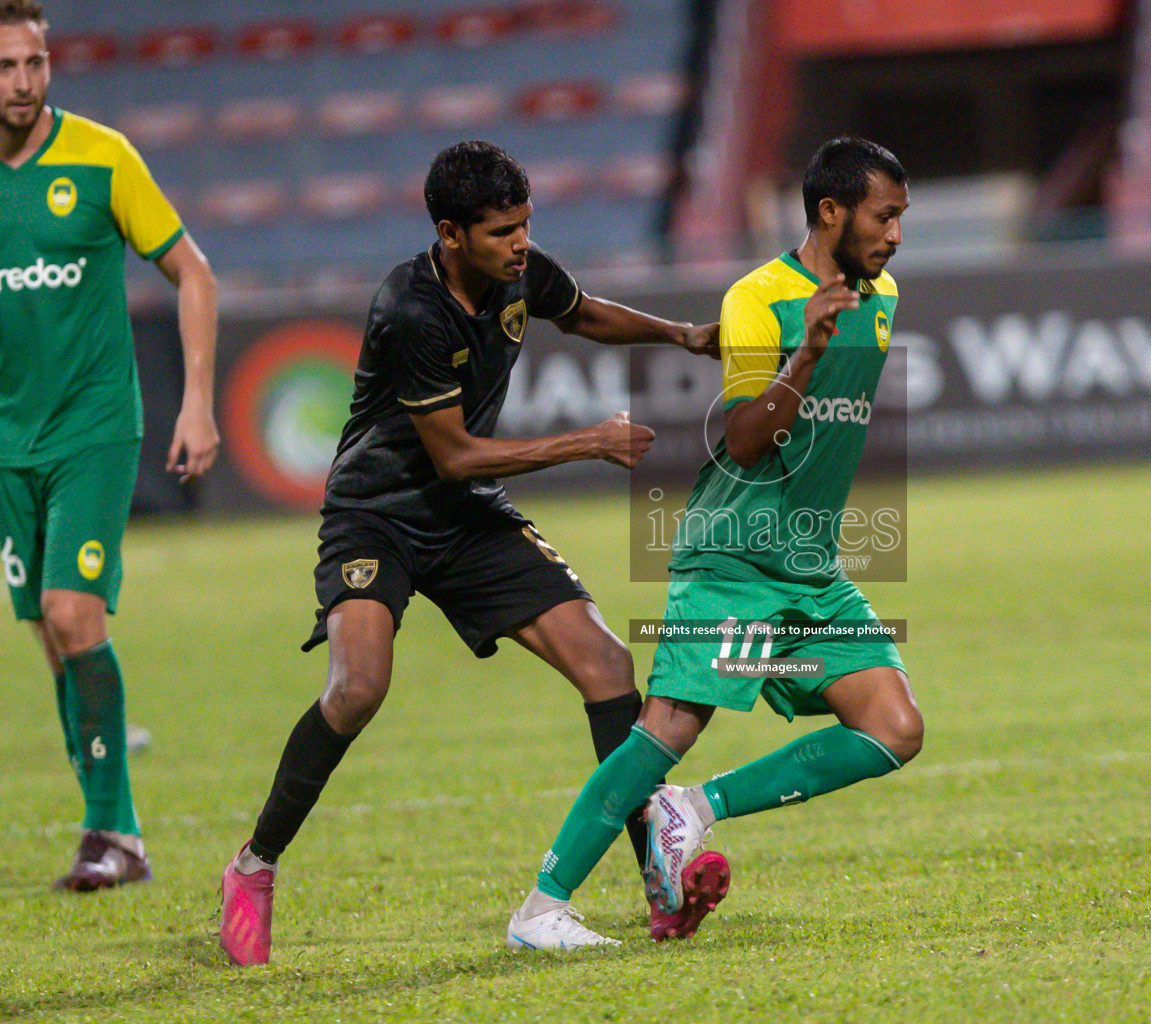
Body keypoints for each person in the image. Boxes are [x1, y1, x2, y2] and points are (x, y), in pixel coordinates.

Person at [218, 140, 721, 966]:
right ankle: (253, 865)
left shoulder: (519, 270)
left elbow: (583, 309)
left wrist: (684, 334)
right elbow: (452, 453)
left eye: (526, 225)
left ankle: (658, 886)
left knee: (607, 668)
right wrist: (586, 442)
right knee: (357, 689)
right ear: (451, 234)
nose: (521, 244)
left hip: (464, 516)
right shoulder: (411, 309)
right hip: (377, 514)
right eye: (502, 232)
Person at [507, 137, 923, 951]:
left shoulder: (884, 297)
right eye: (885, 215)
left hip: (808, 565)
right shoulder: (756, 299)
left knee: (892, 727)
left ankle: (691, 809)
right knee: (669, 725)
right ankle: (540, 909)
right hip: (731, 554)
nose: (896, 234)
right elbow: (743, 443)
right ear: (831, 213)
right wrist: (803, 350)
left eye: (902, 217)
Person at [0, 0, 220, 891]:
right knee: (52, 636)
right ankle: (112, 828)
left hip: (94, 427)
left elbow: (192, 271)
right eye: (5, 68)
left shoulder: (102, 155)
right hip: (9, 440)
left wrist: (197, 401)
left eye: (34, 65)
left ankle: (112, 832)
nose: (21, 84)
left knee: (70, 614)